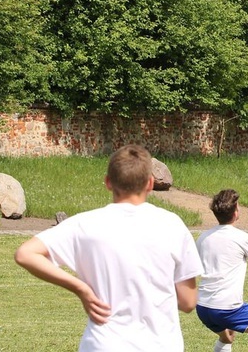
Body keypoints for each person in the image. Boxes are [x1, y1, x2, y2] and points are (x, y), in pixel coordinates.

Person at [14, 145, 203, 351]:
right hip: (161, 344)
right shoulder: (171, 224)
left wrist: (80, 288)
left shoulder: (84, 224)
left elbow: (25, 254)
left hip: (103, 344)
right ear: (150, 183)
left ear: (107, 182)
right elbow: (187, 302)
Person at [195, 189, 248, 352]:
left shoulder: (203, 237)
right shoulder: (242, 237)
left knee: (227, 336)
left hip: (203, 307)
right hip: (228, 308)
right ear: (235, 212)